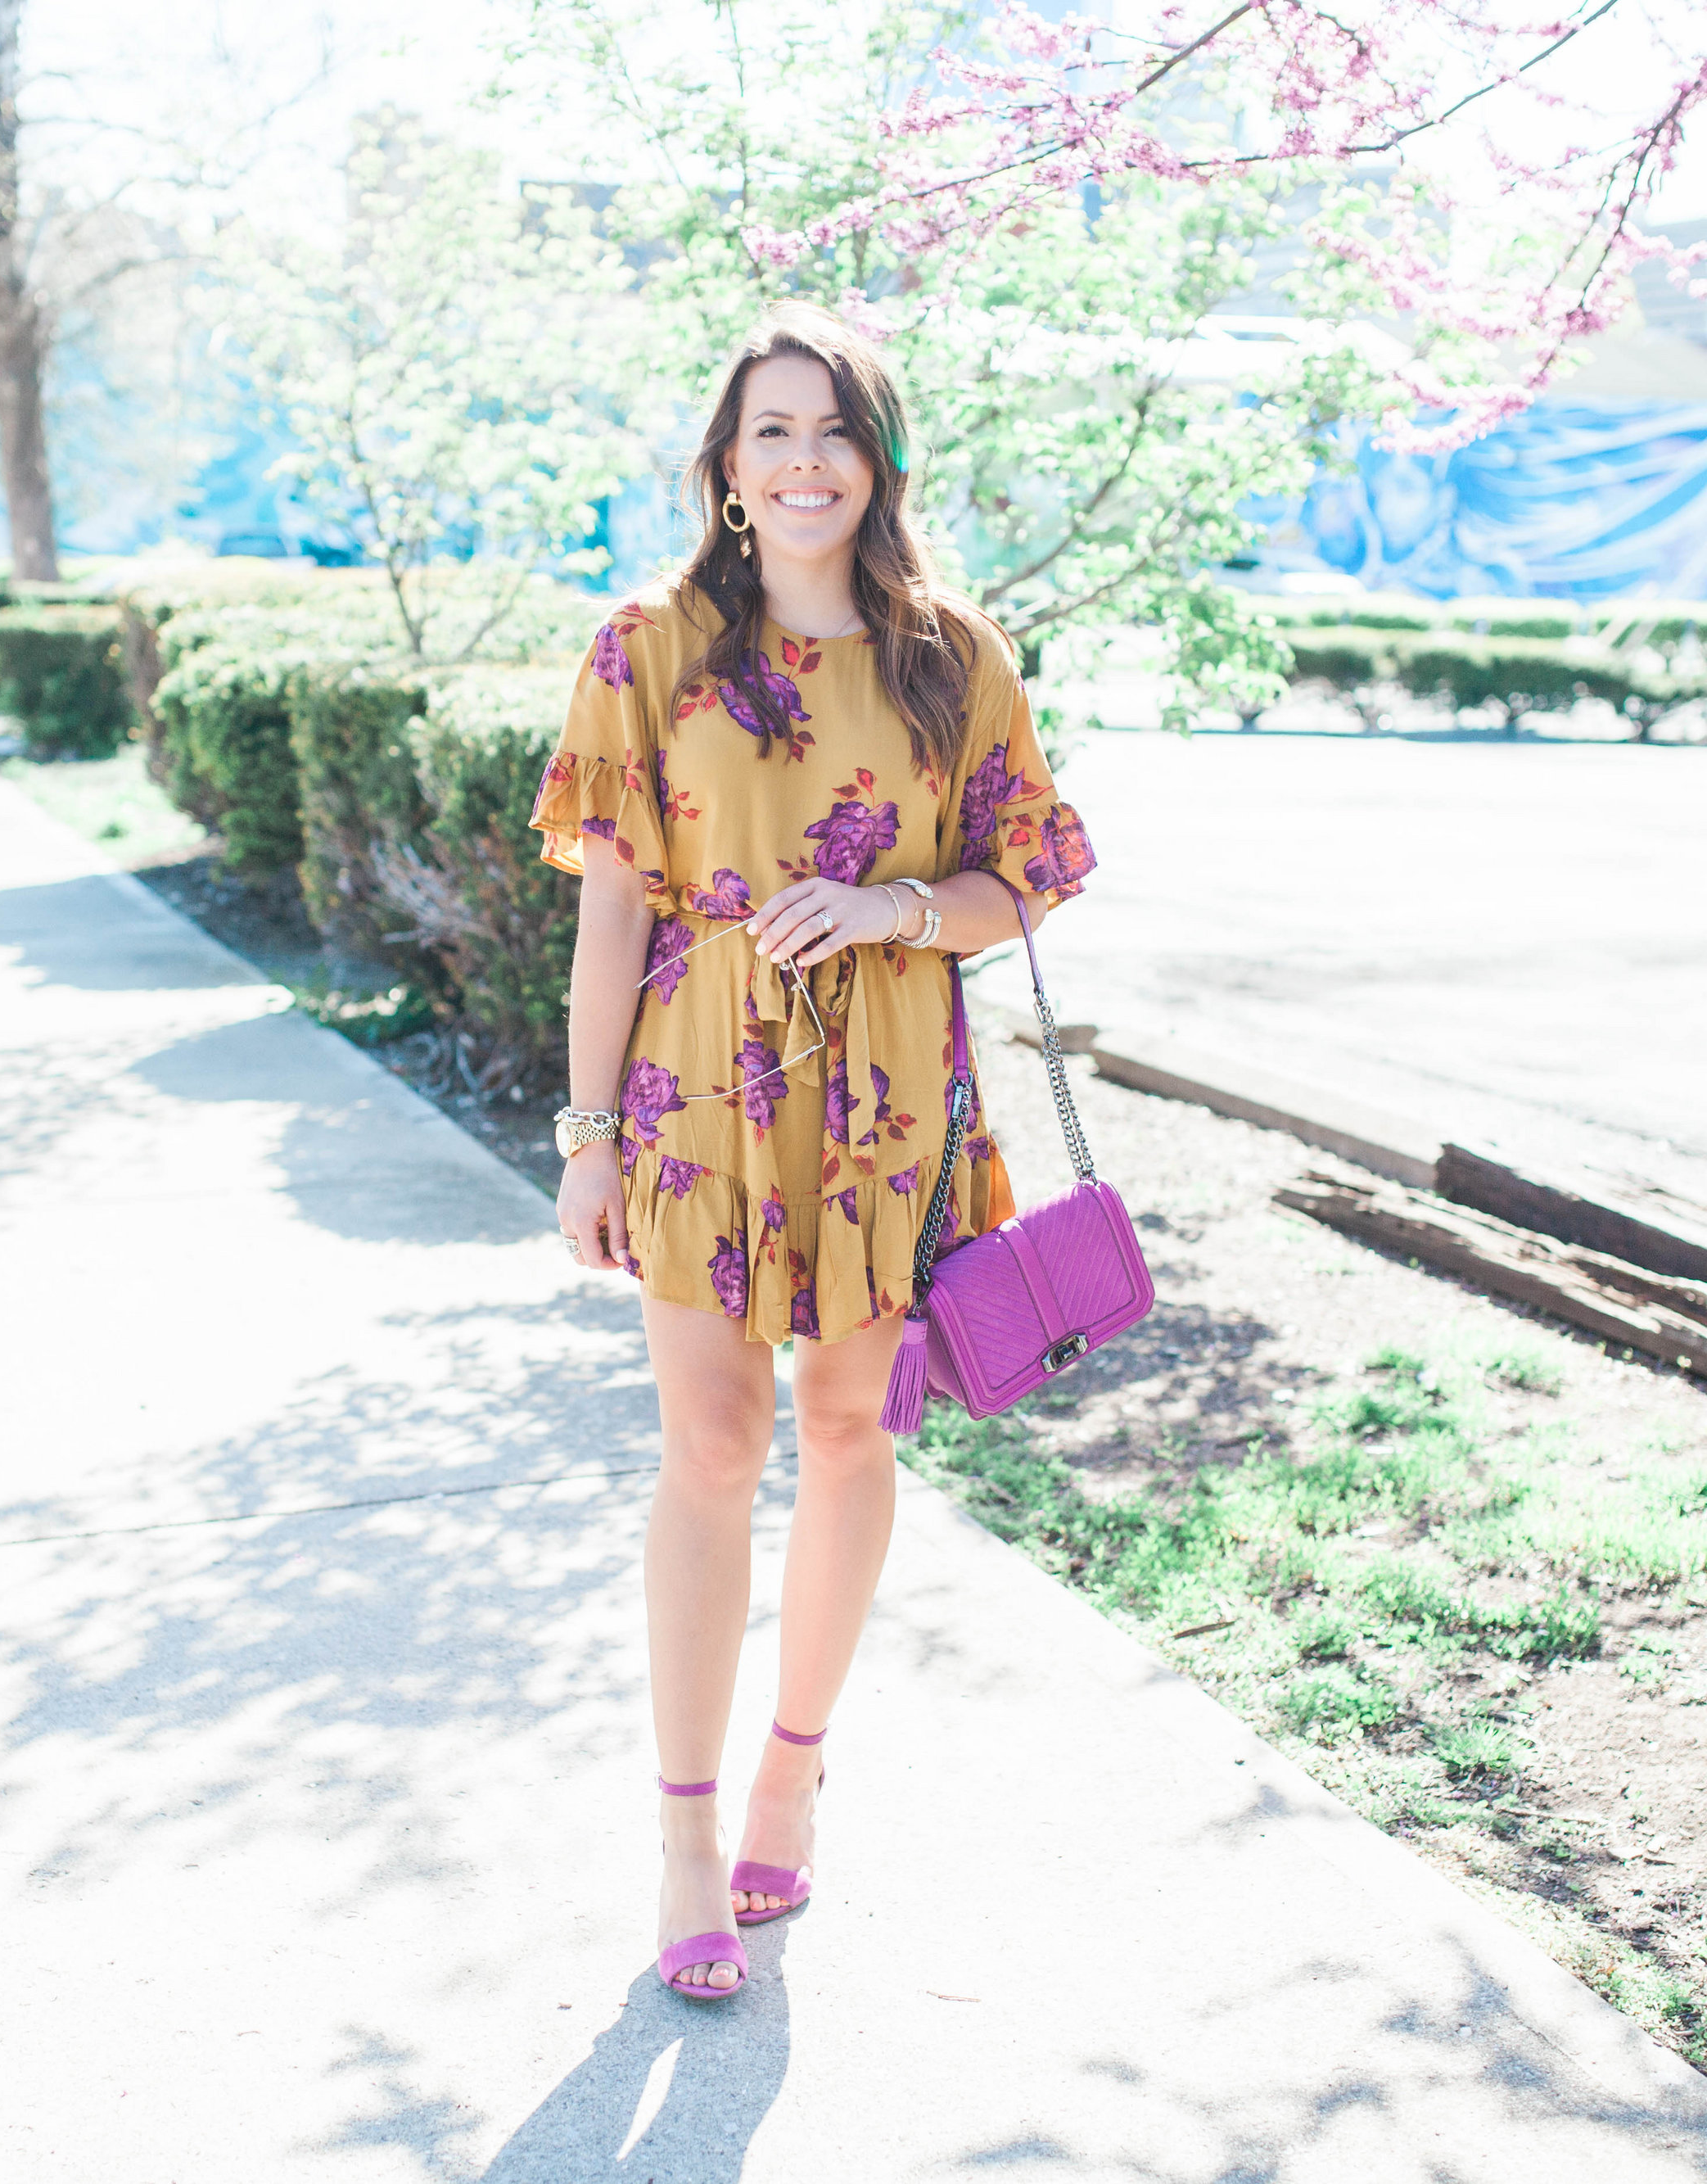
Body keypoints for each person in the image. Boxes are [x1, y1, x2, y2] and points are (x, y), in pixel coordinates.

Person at [532, 302, 1098, 2001]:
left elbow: (1032, 874)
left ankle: (796, 1761)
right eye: (769, 431)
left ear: (879, 459)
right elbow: (612, 912)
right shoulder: (643, 649)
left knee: (847, 1423)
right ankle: (688, 1831)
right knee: (710, 1442)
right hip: (695, 1081)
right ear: (723, 466)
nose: (802, 462)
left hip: (887, 1081)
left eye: (833, 430)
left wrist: (888, 903)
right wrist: (578, 1139)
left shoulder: (952, 654)